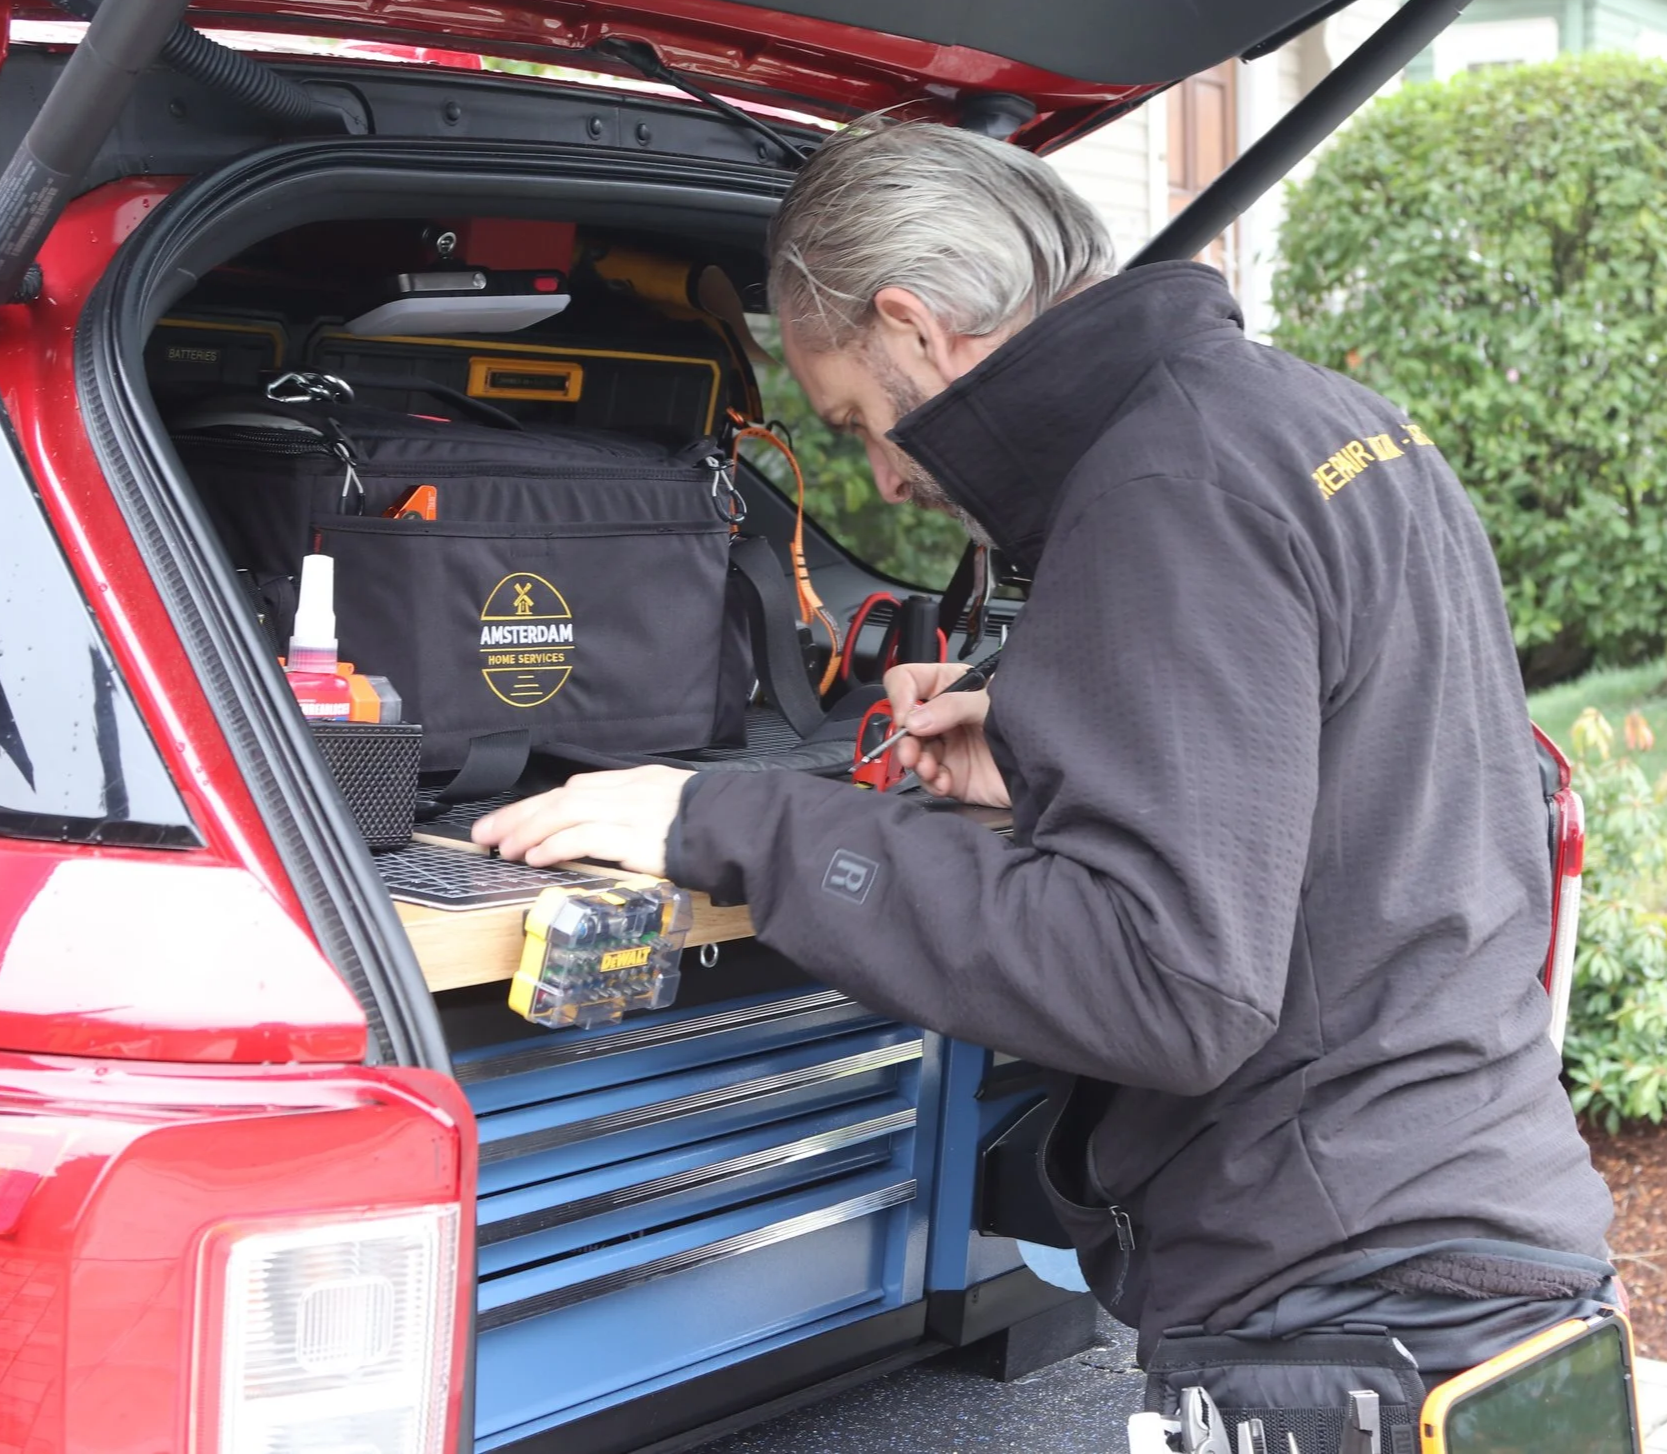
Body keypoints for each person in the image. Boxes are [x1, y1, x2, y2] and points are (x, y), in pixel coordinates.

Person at [473, 120, 1614, 1444]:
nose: (887, 475)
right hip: (1497, 1260)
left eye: (853, 416)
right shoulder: (1311, 421)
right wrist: (1046, 749)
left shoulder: (1158, 489)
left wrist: (734, 819)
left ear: (913, 329)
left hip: (1349, 1319)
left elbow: (1167, 984)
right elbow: (1353, 773)